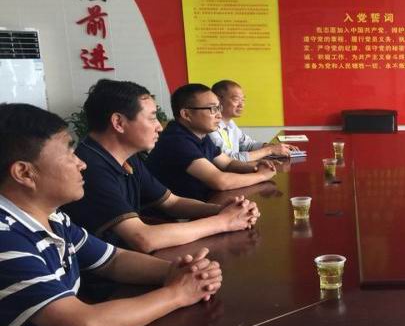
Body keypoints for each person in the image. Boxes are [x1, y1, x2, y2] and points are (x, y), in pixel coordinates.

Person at [0, 104, 222, 326]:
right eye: (68, 153)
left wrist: (180, 271)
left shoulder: (53, 218)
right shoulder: (5, 237)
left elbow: (113, 260)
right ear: (24, 172)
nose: (81, 164)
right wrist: (177, 293)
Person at [63, 79, 260, 253]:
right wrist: (224, 221)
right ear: (118, 123)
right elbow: (143, 238)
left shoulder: (128, 157)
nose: (159, 126)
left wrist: (222, 210)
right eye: (152, 117)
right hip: (112, 274)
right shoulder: (90, 167)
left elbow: (172, 202)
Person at [146, 84, 276, 201]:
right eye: (212, 109)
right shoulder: (176, 140)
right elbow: (220, 181)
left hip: (200, 203)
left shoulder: (200, 133)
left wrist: (255, 168)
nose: (219, 115)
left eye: (219, 108)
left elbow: (228, 163)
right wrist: (261, 176)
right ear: (186, 114)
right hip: (173, 216)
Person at [209, 80, 298, 161]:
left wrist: (274, 147)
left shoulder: (230, 123)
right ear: (218, 100)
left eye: (243, 100)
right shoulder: (210, 127)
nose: (241, 105)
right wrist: (269, 150)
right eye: (236, 99)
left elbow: (248, 144)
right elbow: (228, 159)